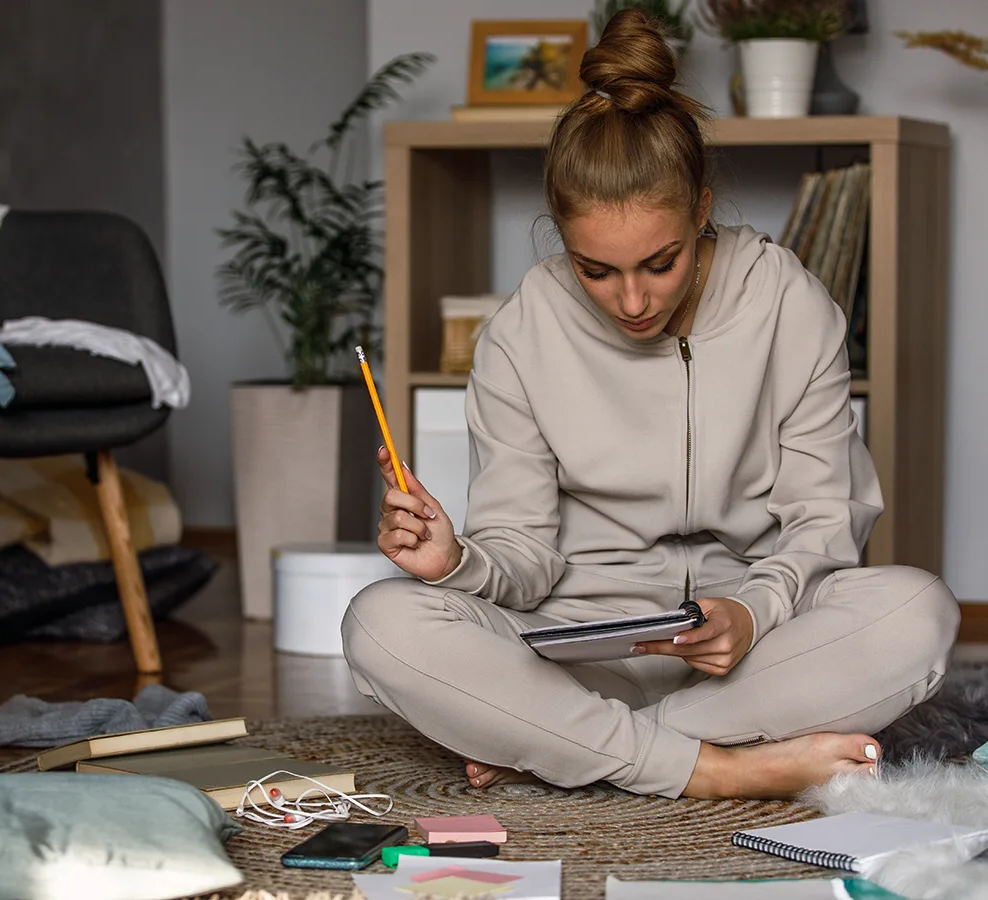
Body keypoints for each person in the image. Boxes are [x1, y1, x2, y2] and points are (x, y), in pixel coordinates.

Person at [341, 9, 959, 801]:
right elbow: (523, 557)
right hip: (577, 649)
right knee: (380, 624)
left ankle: (564, 744)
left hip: (751, 652)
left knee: (918, 612)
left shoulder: (787, 303)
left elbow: (822, 521)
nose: (632, 300)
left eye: (659, 263)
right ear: (561, 239)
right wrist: (457, 561)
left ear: (701, 210)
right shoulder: (521, 334)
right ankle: (723, 767)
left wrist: (750, 609)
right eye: (595, 271)